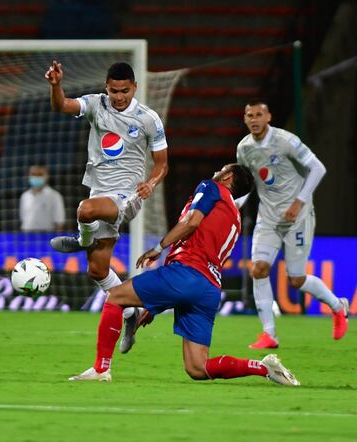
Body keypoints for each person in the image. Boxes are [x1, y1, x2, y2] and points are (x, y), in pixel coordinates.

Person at [69, 163, 300, 387]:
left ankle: (100, 369)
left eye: (222, 169)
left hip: (187, 273)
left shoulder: (211, 187)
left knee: (115, 297)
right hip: (209, 289)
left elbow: (192, 221)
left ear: (228, 177)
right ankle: (263, 368)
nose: (216, 171)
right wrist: (154, 305)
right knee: (198, 368)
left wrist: (158, 248)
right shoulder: (235, 220)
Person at [44, 61, 168, 300]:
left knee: (85, 210)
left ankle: (82, 239)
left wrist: (150, 183)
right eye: (114, 91)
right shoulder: (96, 104)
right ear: (106, 88)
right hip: (99, 190)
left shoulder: (148, 119)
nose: (119, 97)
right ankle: (131, 310)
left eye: (125, 91)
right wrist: (56, 85)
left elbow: (162, 164)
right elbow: (61, 105)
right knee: (97, 269)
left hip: (127, 195)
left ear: (135, 87)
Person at [236, 99, 349, 349]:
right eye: (249, 115)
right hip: (268, 218)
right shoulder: (244, 148)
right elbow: (248, 183)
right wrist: (235, 206)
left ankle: (337, 306)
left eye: (258, 115)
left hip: (297, 217)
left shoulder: (285, 141)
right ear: (245, 119)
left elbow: (318, 168)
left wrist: (298, 202)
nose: (254, 119)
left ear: (268, 117)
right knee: (259, 269)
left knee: (296, 279)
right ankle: (269, 334)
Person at [19, 164, 66, 232]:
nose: (36, 177)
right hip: (27, 234)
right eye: (33, 174)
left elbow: (59, 222)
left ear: (47, 176)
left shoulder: (54, 196)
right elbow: (23, 220)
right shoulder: (25, 196)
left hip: (46, 235)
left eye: (40, 174)